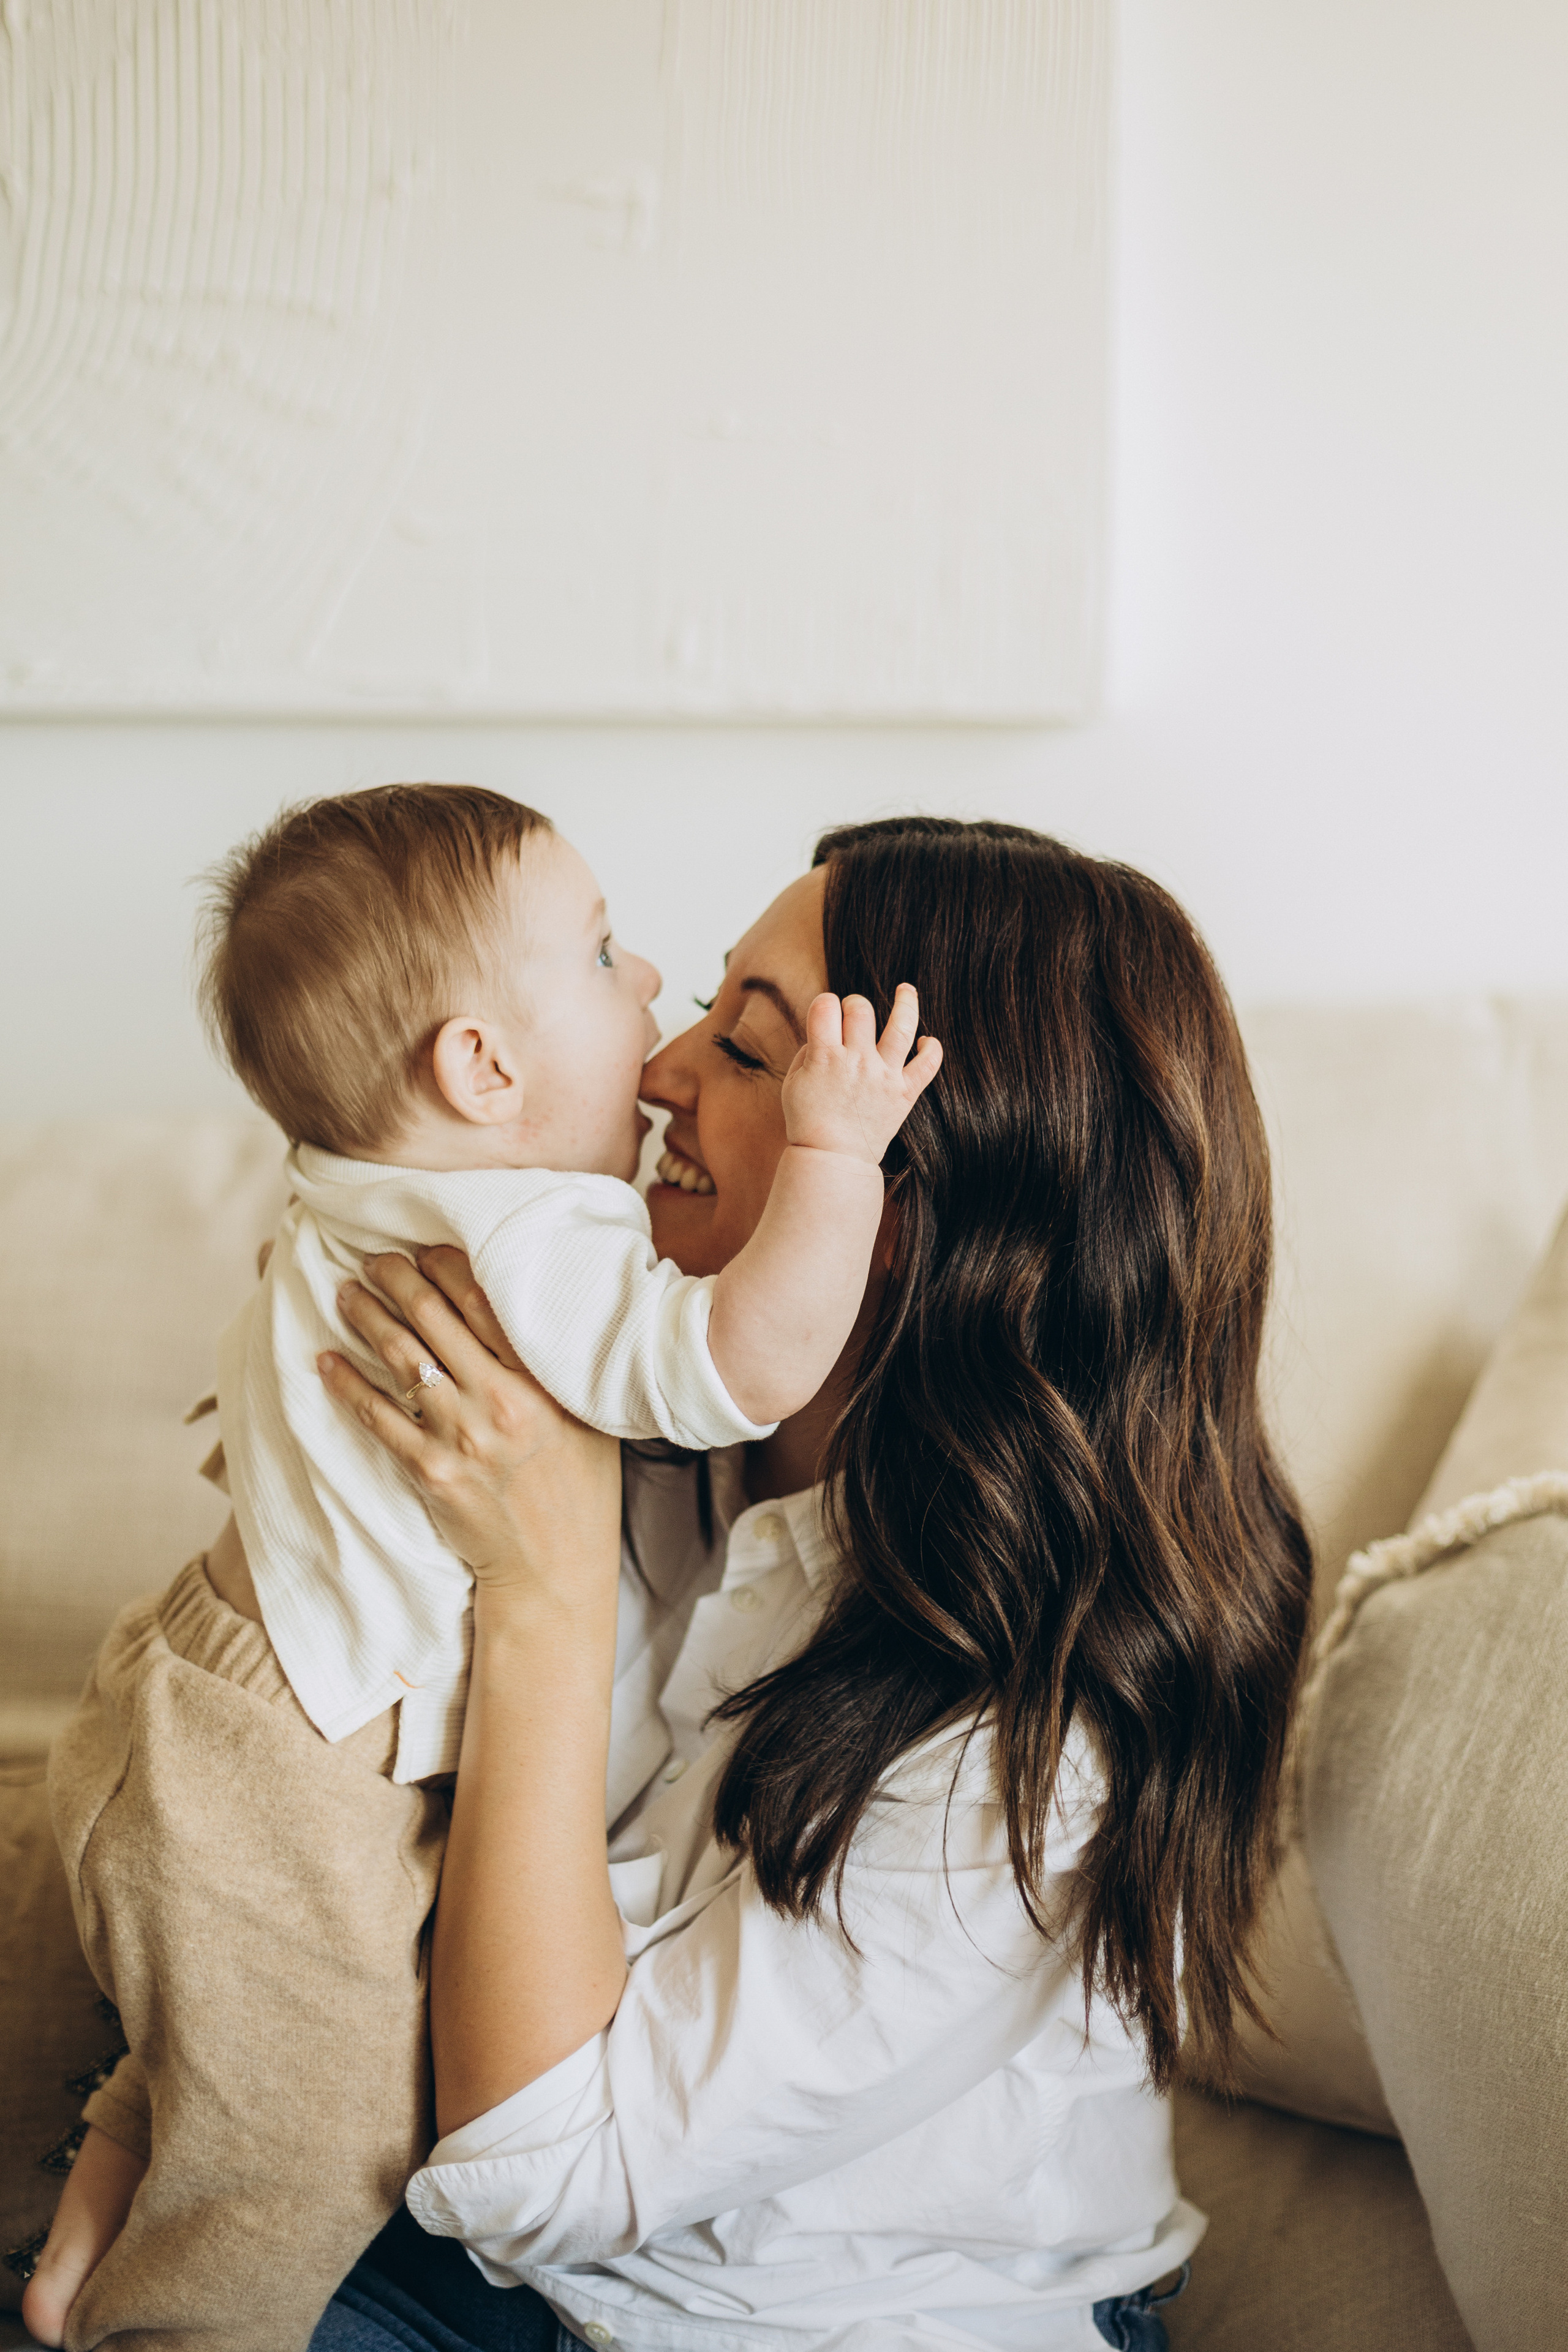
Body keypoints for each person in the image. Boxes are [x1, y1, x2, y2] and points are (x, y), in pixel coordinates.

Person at [296, 816, 1316, 2352]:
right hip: (482, 2268)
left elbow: (536, 2172)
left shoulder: (1030, 1745)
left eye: (746, 1050)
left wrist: (543, 1589)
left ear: (912, 1202)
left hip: (797, 2321)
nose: (656, 1073)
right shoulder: (642, 1421)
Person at [22, 787, 937, 2352]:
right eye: (605, 957)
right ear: (483, 1068)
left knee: (218, 2046)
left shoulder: (360, 1185)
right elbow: (743, 1363)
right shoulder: (537, 1240)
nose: (650, 1006)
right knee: (308, 2137)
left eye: (737, 1042)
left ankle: (73, 2241)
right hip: (308, 1754)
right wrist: (836, 1148)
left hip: (208, 1685)